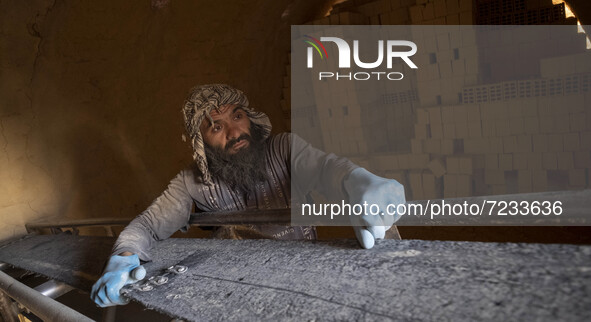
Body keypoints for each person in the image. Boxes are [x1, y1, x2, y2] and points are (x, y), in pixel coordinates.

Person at [91, 84, 405, 307]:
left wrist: (357, 181)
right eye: (216, 126)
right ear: (200, 142)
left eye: (237, 116)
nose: (235, 132)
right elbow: (147, 225)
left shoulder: (283, 149)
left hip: (303, 280)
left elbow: (326, 168)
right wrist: (123, 256)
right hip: (233, 291)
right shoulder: (191, 182)